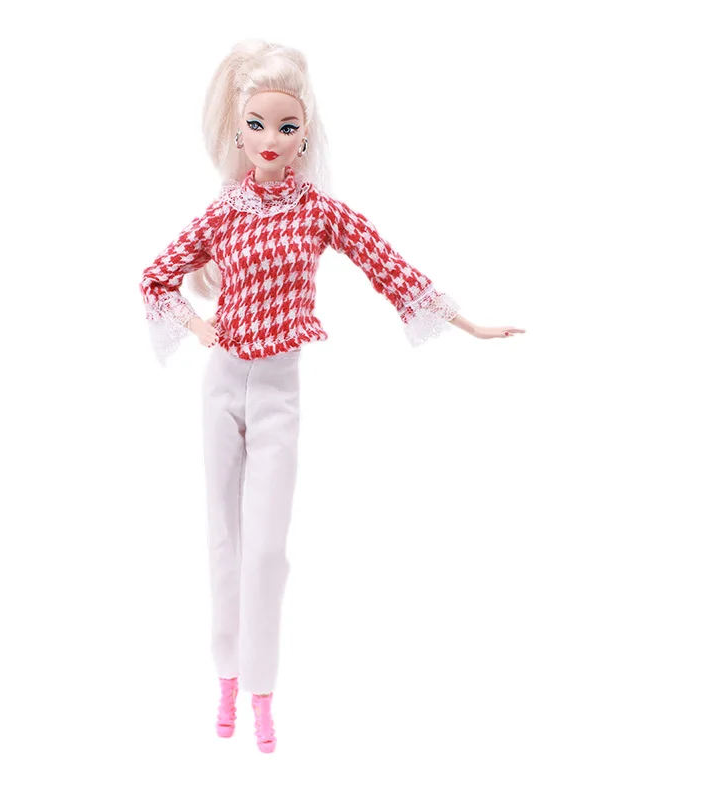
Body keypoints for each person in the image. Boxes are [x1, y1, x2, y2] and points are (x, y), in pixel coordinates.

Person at [138, 38, 525, 754]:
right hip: (222, 381)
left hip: (278, 388)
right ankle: (225, 679)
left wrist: (465, 322)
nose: (271, 138)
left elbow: (386, 264)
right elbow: (155, 276)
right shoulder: (222, 214)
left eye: (286, 126)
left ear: (305, 133)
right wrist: (198, 326)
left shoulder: (318, 211)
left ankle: (262, 694)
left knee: (265, 550)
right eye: (257, 124)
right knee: (223, 537)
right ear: (237, 130)